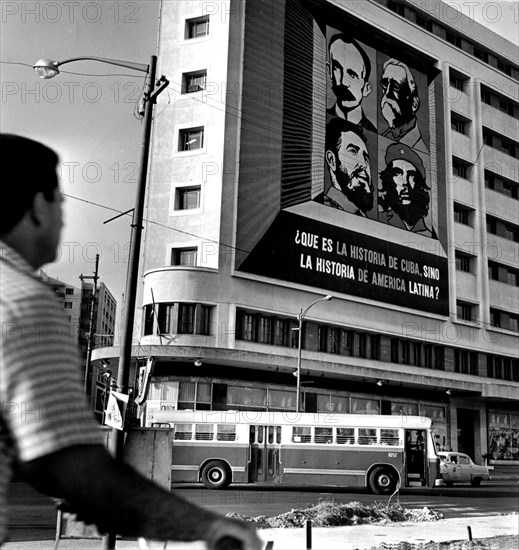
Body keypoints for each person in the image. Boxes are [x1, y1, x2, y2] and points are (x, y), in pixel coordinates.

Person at [0, 133, 262, 549]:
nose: (65, 218)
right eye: (60, 202)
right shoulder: (21, 302)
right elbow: (79, 475)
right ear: (36, 206)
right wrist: (209, 530)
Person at [315, 118, 374, 217]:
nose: (364, 164)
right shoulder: (321, 210)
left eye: (366, 158)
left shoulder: (360, 217)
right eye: (353, 151)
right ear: (331, 160)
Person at [378, 142, 435, 237]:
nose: (405, 182)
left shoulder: (427, 234)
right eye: (397, 173)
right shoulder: (380, 221)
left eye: (411, 175)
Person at [326, 33, 377, 133]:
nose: (343, 82)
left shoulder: (372, 132)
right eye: (337, 68)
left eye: (352, 75)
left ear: (366, 88)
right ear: (329, 70)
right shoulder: (320, 119)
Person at [380, 58, 427, 153]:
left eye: (396, 87)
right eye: (385, 84)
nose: (387, 92)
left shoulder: (419, 151)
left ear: (414, 104)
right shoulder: (382, 138)